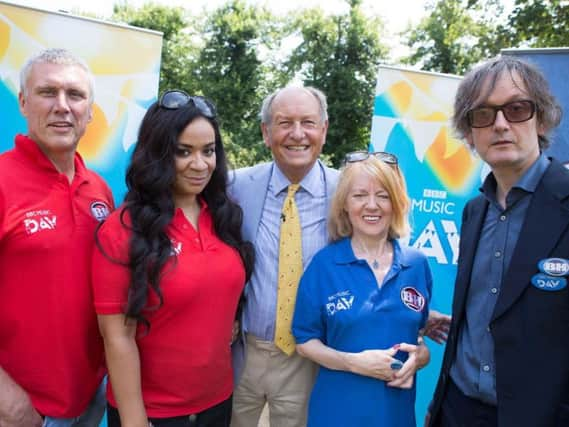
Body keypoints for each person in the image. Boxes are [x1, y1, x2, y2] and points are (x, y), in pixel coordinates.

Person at [92, 90, 254, 427]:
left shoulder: (224, 217)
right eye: (184, 152)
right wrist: (135, 421)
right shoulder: (124, 229)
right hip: (154, 415)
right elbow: (117, 336)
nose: (200, 164)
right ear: (159, 154)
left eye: (208, 151)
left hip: (218, 404)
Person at [427, 55, 567, 427]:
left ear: (542, 119)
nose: (501, 124)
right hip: (457, 409)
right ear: (469, 132)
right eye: (484, 114)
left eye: (517, 108)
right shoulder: (474, 211)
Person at [0, 48, 113, 427]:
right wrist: (6, 397)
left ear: (90, 112)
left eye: (76, 95)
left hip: (90, 400)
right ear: (23, 103)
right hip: (21, 410)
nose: (63, 106)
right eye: (48, 92)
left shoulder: (98, 190)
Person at [292, 153, 432, 426]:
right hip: (336, 414)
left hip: (395, 416)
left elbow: (418, 336)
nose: (372, 205)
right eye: (359, 196)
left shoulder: (416, 264)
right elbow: (304, 343)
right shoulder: (324, 265)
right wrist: (353, 363)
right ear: (344, 204)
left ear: (397, 202)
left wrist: (421, 357)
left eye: (383, 195)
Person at [229, 85, 339, 427]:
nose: (296, 134)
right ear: (266, 132)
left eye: (307, 122)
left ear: (324, 129)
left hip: (310, 359)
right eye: (284, 123)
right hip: (242, 353)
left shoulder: (349, 191)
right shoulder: (234, 186)